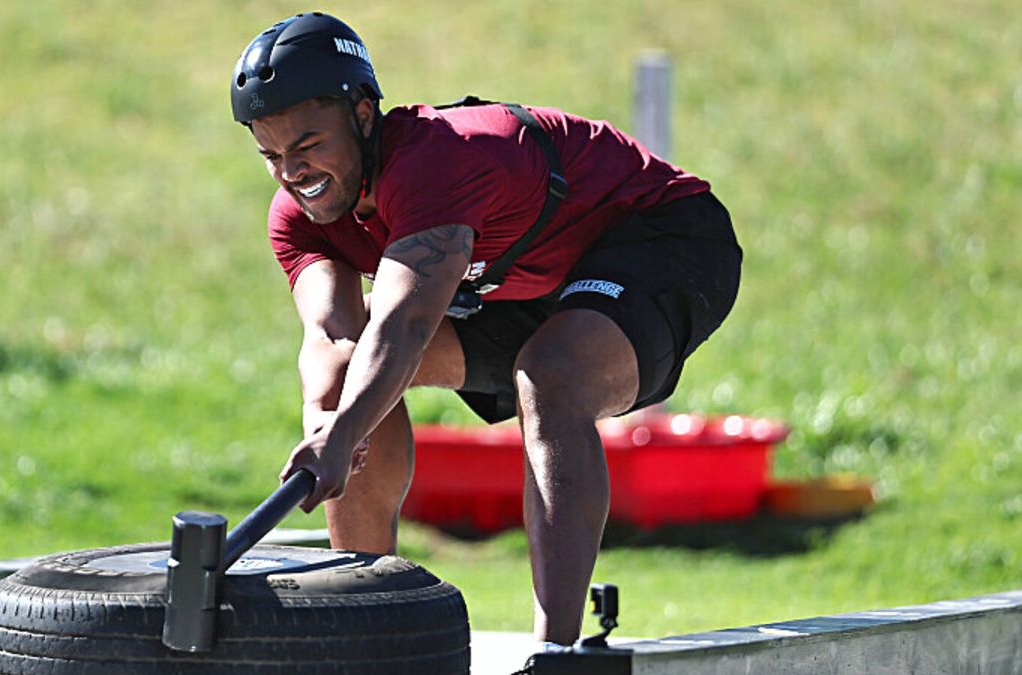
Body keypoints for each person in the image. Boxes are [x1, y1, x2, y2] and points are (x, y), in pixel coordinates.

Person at [230, 12, 742, 647]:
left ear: (363, 116)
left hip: (664, 238)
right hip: (526, 285)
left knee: (551, 373)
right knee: (345, 383)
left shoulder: (437, 162)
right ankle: (360, 626)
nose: (291, 172)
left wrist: (345, 432)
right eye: (271, 155)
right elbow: (335, 338)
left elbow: (407, 322)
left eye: (307, 147)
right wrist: (325, 423)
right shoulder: (297, 215)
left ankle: (555, 651)